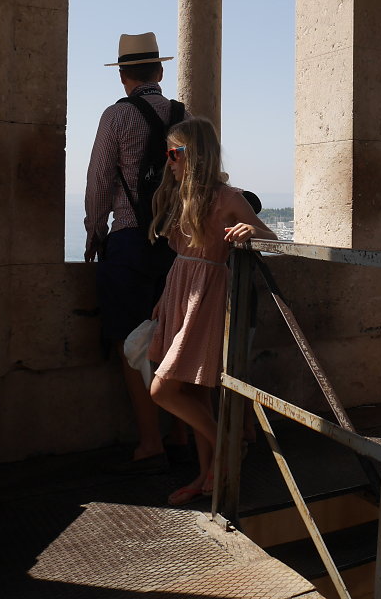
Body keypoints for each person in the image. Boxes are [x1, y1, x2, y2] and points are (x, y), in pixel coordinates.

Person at [147, 117, 277, 505]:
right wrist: (164, 299)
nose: (169, 161)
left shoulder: (228, 198)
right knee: (193, 390)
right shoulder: (182, 196)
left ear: (194, 154)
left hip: (206, 295)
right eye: (168, 154)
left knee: (163, 388)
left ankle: (229, 446)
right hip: (180, 291)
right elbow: (182, 257)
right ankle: (207, 476)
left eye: (174, 153)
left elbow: (271, 238)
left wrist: (251, 232)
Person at [84, 31, 185, 466]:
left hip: (128, 241)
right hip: (178, 243)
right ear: (160, 72)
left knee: (131, 341)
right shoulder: (185, 117)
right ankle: (185, 428)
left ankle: (150, 440)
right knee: (181, 338)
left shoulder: (116, 116)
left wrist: (94, 229)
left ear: (123, 75)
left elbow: (99, 181)